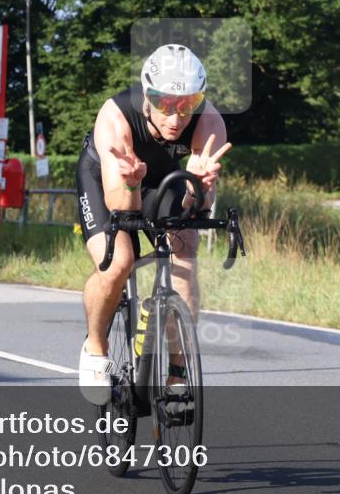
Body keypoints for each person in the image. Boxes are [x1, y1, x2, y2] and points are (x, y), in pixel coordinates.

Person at [75, 45, 231, 404]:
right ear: (147, 95)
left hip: (165, 181)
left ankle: (178, 371)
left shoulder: (209, 124)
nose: (176, 117)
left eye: (188, 104)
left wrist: (198, 190)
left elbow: (199, 207)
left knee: (185, 249)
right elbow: (121, 206)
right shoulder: (116, 117)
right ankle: (95, 347)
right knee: (119, 263)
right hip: (110, 181)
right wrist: (131, 182)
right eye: (164, 103)